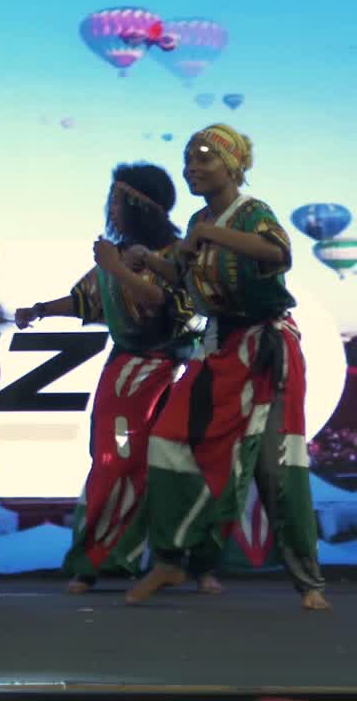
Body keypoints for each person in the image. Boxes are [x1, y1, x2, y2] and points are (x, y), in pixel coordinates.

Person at [126, 124, 329, 611]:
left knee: (276, 465)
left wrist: (210, 233)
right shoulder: (199, 219)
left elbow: (280, 254)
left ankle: (309, 581)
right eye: (188, 159)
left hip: (266, 349)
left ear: (233, 165)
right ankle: (174, 559)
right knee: (168, 440)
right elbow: (186, 276)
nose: (192, 167)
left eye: (204, 158)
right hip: (218, 348)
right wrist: (147, 261)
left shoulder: (251, 213)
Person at [12, 163, 216, 594]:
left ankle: (182, 562)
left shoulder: (174, 256)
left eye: (116, 200)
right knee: (114, 460)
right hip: (126, 374)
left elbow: (164, 303)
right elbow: (86, 300)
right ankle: (100, 559)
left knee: (161, 464)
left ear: (140, 206)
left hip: (170, 373)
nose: (110, 208)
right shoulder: (116, 253)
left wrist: (117, 269)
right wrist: (41, 310)